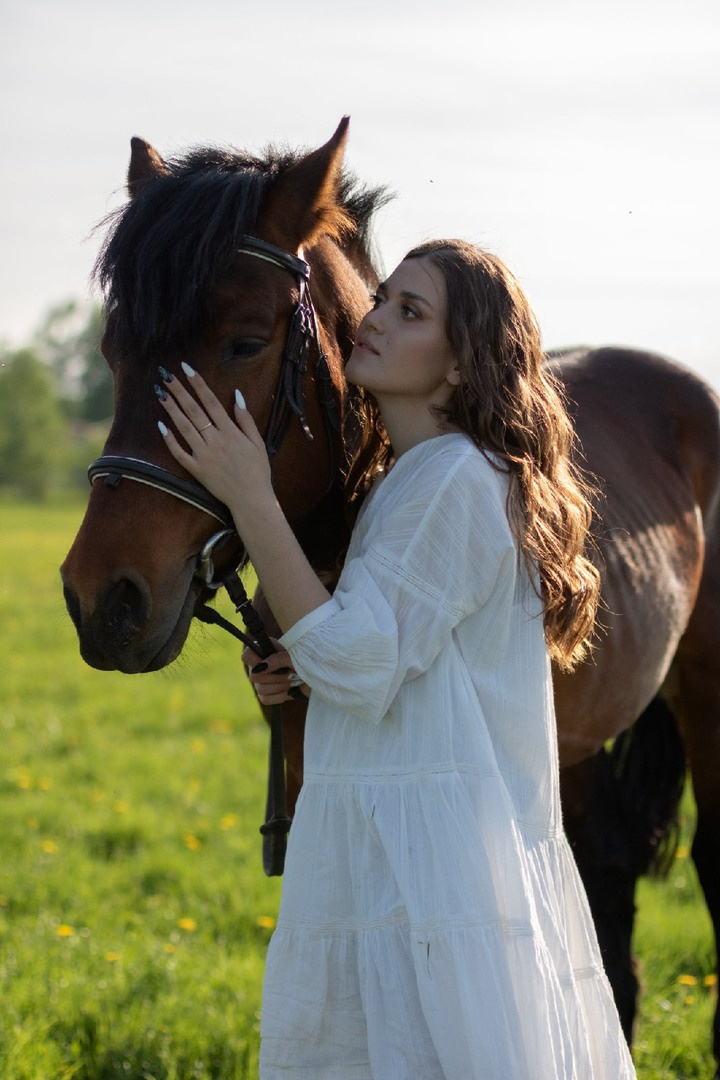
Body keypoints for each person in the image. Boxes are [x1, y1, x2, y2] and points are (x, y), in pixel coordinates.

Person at [157, 239, 635, 1079]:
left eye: (411, 313)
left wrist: (250, 493)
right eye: (384, 300)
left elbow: (361, 664)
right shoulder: (419, 477)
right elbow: (387, 657)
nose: (374, 320)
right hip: (407, 851)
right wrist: (302, 662)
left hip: (428, 870)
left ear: (459, 368)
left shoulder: (453, 476)